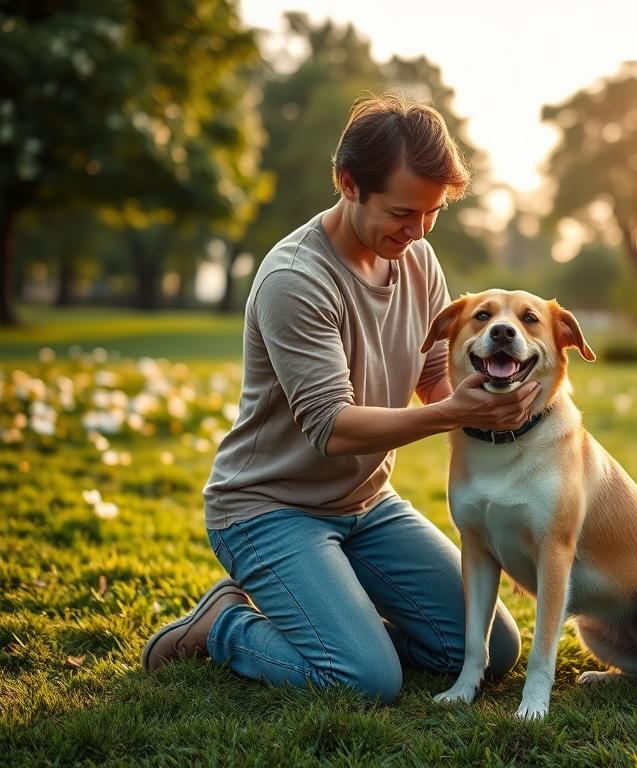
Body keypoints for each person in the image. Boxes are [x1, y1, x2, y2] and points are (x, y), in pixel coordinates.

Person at [141, 93, 541, 702]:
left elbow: (435, 375)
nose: (418, 232)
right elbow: (333, 427)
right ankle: (222, 624)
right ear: (349, 184)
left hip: (367, 505)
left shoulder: (417, 258)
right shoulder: (295, 280)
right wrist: (456, 411)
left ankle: (339, 623)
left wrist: (496, 392)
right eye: (403, 213)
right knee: (364, 680)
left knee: (491, 647)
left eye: (432, 215)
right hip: (268, 509)